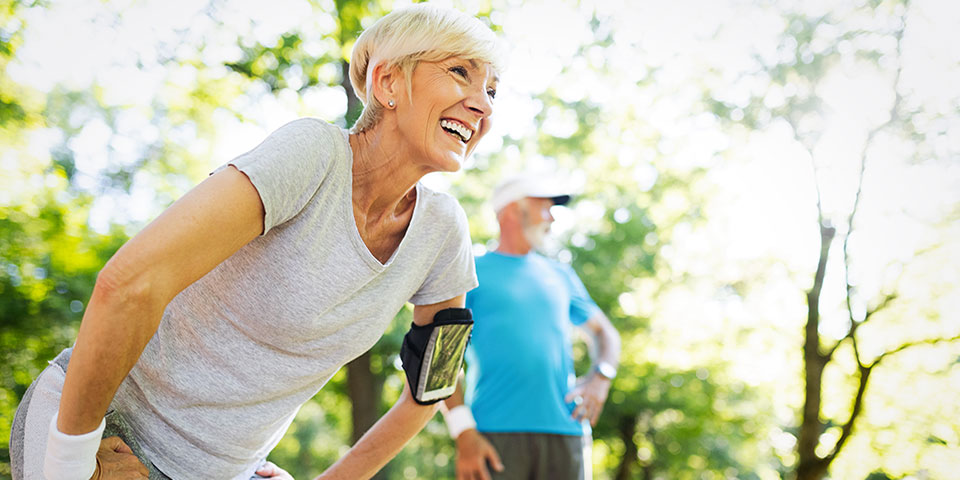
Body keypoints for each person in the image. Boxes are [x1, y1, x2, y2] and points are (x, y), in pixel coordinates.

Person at [9, 4, 504, 480]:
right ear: (389, 81)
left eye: (492, 90)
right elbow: (130, 284)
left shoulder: (443, 234)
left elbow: (431, 387)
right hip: (102, 437)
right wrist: (71, 465)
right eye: (460, 72)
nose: (482, 104)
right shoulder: (314, 155)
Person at [442, 174, 621, 480]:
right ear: (514, 209)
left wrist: (601, 376)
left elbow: (605, 332)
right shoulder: (469, 271)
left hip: (567, 430)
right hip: (494, 435)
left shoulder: (561, 274)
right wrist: (463, 433)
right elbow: (441, 356)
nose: (552, 216)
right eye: (545, 207)